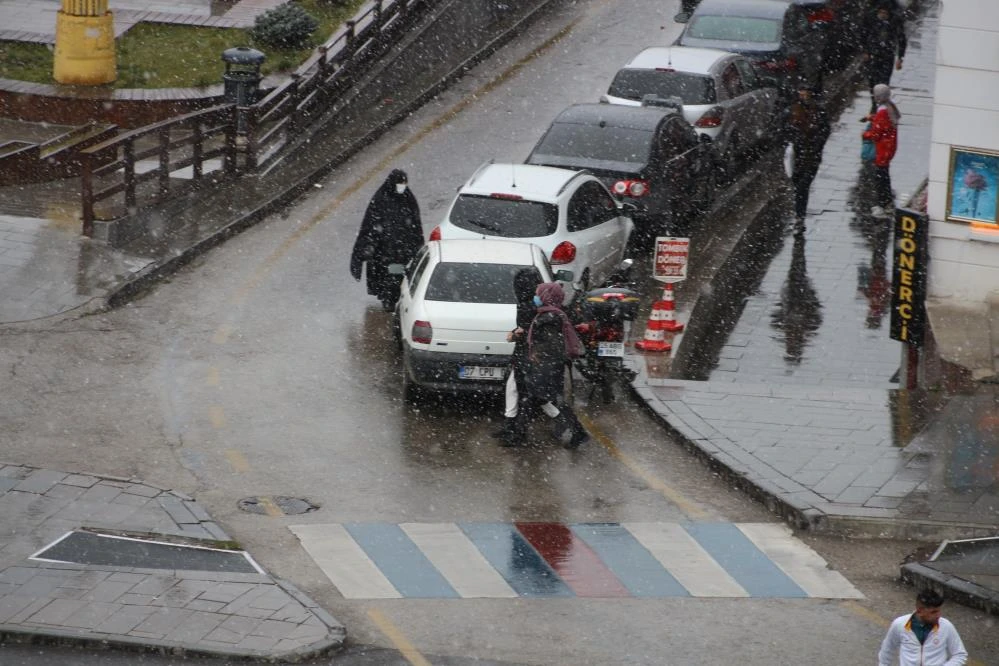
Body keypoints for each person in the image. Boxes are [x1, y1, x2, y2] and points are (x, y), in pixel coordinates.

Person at [507, 282, 589, 449]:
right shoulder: (552, 314)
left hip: (546, 368)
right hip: (548, 366)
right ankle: (518, 434)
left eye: (539, 294)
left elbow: (552, 343)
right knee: (538, 399)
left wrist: (536, 352)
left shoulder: (549, 318)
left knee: (539, 399)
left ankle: (578, 432)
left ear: (546, 297)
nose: (536, 297)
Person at [350, 169, 423, 311]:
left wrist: (416, 244)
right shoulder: (380, 199)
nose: (402, 186)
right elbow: (369, 224)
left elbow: (415, 224)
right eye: (400, 183)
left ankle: (394, 299)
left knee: (399, 276)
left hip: (402, 249)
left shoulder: (408, 199)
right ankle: (388, 300)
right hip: (384, 249)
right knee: (386, 277)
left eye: (404, 183)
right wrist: (369, 245)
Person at [491, 267, 543, 445]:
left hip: (528, 354)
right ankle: (512, 426)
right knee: (515, 389)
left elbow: (530, 330)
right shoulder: (533, 303)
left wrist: (516, 334)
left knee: (530, 394)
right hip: (526, 354)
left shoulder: (528, 305)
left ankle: (517, 431)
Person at [878, 589, 968, 666]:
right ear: (920, 611)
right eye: (933, 612)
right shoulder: (899, 625)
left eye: (939, 611)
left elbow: (960, 654)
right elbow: (887, 651)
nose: (938, 615)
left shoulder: (946, 626)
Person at [787, 86, 831, 225]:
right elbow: (782, 129)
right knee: (798, 184)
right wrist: (791, 139)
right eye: (801, 92)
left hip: (812, 155)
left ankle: (800, 216)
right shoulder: (792, 110)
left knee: (803, 185)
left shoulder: (819, 111)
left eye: (806, 93)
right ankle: (799, 213)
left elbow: (825, 130)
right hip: (797, 155)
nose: (804, 95)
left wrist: (817, 144)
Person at [862, 84, 901, 219]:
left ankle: (882, 204)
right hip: (889, 146)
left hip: (884, 149)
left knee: (881, 178)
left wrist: (865, 134)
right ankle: (887, 203)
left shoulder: (883, 111)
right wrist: (872, 118)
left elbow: (876, 133)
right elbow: (884, 123)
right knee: (884, 175)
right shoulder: (889, 107)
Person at [862, 0, 907, 98]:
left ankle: (882, 101)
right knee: (872, 80)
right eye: (881, 12)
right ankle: (875, 102)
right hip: (873, 54)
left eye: (885, 13)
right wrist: (865, 51)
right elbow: (863, 34)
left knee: (884, 81)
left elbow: (901, 39)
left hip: (887, 55)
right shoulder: (871, 18)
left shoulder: (895, 21)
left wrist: (900, 58)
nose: (883, 15)